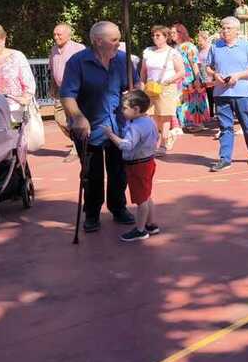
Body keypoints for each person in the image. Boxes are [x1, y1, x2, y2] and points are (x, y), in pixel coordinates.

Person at [60, 21, 141, 233]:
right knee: (91, 174)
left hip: (118, 126)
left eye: (118, 39)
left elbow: (137, 87)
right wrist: (77, 117)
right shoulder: (78, 62)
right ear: (98, 41)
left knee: (118, 172)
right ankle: (93, 213)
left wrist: (134, 96)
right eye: (113, 40)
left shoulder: (123, 60)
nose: (118, 44)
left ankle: (118, 207)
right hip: (89, 127)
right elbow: (67, 95)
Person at [101, 90, 160, 242]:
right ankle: (151, 224)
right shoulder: (149, 121)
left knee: (141, 200)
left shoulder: (136, 127)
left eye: (124, 108)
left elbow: (126, 145)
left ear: (136, 110)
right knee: (146, 195)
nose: (122, 111)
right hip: (148, 161)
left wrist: (110, 134)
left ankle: (140, 230)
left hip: (137, 165)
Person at [205, 16, 248, 171]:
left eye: (228, 28)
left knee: (246, 123)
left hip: (241, 92)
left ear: (237, 30)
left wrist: (238, 76)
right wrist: (215, 75)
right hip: (221, 92)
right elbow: (208, 67)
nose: (225, 31)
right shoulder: (215, 46)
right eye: (223, 27)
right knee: (225, 126)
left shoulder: (246, 46)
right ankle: (225, 159)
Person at [141, 26, 185, 155]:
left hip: (166, 87)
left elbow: (181, 72)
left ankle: (164, 142)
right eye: (153, 35)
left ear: (166, 37)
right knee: (152, 116)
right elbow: (143, 71)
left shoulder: (172, 52)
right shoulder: (148, 51)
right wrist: (142, 85)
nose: (155, 38)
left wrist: (169, 80)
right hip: (151, 87)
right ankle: (161, 138)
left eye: (158, 35)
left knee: (164, 115)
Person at [48, 23, 85, 161]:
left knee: (74, 119)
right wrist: (53, 87)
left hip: (76, 90)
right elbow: (53, 70)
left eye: (59, 34)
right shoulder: (53, 50)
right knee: (59, 118)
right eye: (55, 34)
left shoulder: (78, 49)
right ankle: (82, 141)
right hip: (61, 90)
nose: (56, 37)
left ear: (68, 35)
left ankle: (77, 149)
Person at [170, 23, 210, 131]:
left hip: (190, 78)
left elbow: (194, 64)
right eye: (171, 32)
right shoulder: (174, 48)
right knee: (182, 102)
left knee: (193, 102)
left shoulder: (189, 46)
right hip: (179, 79)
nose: (171, 34)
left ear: (181, 33)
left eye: (174, 32)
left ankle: (198, 124)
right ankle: (184, 123)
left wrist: (197, 79)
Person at [196, 30, 217, 118]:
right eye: (198, 40)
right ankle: (211, 114)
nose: (199, 42)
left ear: (205, 39)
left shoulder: (211, 48)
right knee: (207, 94)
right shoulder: (199, 49)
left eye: (200, 40)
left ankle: (216, 113)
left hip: (211, 74)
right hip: (202, 74)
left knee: (213, 95)